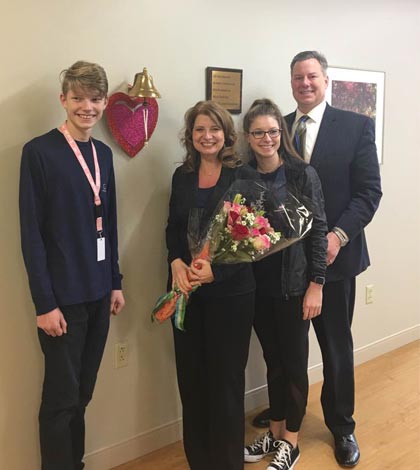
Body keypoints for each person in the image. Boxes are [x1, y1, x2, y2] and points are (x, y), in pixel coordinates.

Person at [253, 51, 382, 467]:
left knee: (335, 347)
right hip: (286, 265)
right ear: (290, 83)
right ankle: (285, 412)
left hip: (336, 261)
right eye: (297, 78)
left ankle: (342, 426)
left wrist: (339, 235)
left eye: (311, 76)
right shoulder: (279, 129)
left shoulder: (357, 126)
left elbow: (369, 193)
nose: (304, 84)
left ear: (326, 81)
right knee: (285, 348)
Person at [19, 61, 125, 470]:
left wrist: (115, 281)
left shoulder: (102, 154)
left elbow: (110, 222)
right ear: (63, 100)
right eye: (78, 98)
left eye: (95, 99)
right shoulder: (39, 153)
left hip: (100, 293)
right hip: (61, 301)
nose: (87, 107)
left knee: (82, 393)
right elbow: (31, 235)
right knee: (60, 400)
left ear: (103, 104)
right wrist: (44, 304)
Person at [166, 100, 256, 470]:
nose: (207, 136)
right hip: (187, 291)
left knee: (225, 384)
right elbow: (172, 227)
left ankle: (228, 463)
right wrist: (175, 262)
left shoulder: (243, 176)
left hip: (230, 294)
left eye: (214, 129)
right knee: (192, 382)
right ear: (190, 136)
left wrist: (217, 272)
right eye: (200, 129)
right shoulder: (181, 176)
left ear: (226, 135)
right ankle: (199, 462)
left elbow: (254, 239)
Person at [242, 99, 328, 470]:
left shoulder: (301, 174)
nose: (266, 138)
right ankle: (275, 431)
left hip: (294, 286)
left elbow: (319, 230)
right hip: (257, 288)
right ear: (248, 136)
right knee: (273, 362)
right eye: (259, 132)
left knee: (293, 364)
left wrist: (317, 284)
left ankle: (291, 441)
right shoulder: (243, 177)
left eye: (273, 131)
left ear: (282, 133)